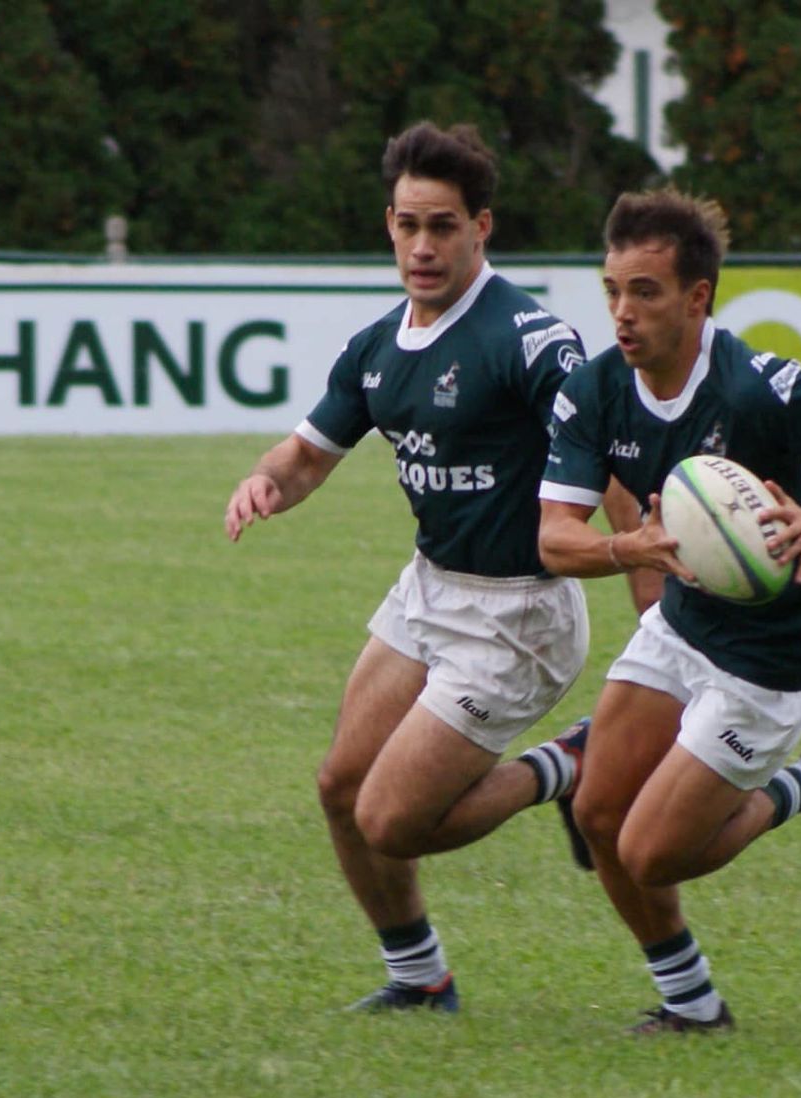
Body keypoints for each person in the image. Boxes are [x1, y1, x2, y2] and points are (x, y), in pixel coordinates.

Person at [225, 121, 611, 1015]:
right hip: (430, 588)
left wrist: (644, 574)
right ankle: (419, 976)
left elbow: (604, 447)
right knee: (339, 788)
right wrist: (263, 480)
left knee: (392, 819)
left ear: (483, 227)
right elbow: (309, 454)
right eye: (407, 225)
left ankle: (569, 764)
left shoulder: (528, 337)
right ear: (388, 226)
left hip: (519, 612)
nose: (423, 246)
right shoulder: (376, 348)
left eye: (443, 226)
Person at [538, 187, 801, 1033]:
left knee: (651, 849)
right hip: (680, 626)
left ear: (698, 297)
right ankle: (693, 1003)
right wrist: (623, 550)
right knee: (597, 813)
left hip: (772, 659)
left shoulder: (755, 386)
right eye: (611, 289)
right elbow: (553, 537)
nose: (622, 312)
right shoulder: (596, 390)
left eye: (644, 290)